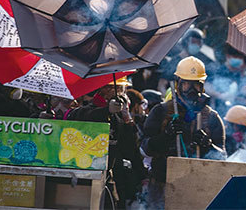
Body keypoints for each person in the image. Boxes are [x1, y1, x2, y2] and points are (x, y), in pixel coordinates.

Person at [141, 56, 225, 209]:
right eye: (186, 84)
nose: (192, 90)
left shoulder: (212, 117)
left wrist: (208, 145)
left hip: (198, 188)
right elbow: (144, 148)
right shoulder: (161, 111)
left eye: (197, 85)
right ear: (177, 84)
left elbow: (223, 158)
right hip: (162, 186)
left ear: (203, 86)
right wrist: (166, 136)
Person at [66, 77, 147, 209]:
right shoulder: (86, 110)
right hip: (87, 173)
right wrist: (106, 111)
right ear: (104, 88)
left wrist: (127, 121)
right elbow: (86, 118)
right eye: (118, 89)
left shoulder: (119, 116)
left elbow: (130, 148)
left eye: (122, 89)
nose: (121, 93)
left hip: (112, 174)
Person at [157, 27, 216, 96]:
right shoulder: (175, 62)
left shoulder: (198, 63)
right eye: (194, 42)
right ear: (186, 41)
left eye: (199, 43)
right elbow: (161, 85)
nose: (196, 45)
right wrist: (170, 100)